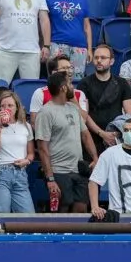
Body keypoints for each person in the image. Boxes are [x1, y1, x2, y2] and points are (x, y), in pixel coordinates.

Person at [35, 70, 97, 213]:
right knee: (63, 208)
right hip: (58, 170)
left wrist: (95, 157)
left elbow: (86, 135)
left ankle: (77, 236)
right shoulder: (46, 112)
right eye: (69, 83)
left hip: (78, 169)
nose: (72, 87)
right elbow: (42, 148)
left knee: (81, 207)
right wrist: (50, 179)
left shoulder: (74, 109)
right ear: (63, 88)